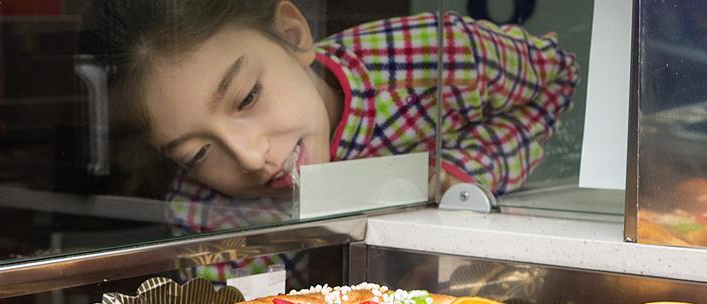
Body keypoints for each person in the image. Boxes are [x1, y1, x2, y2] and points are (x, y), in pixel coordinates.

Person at [80, 1, 578, 232]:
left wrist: (464, 173)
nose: (253, 158)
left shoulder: (434, 54)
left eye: (248, 97)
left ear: (294, 36)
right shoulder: (205, 218)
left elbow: (558, 80)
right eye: (197, 153)